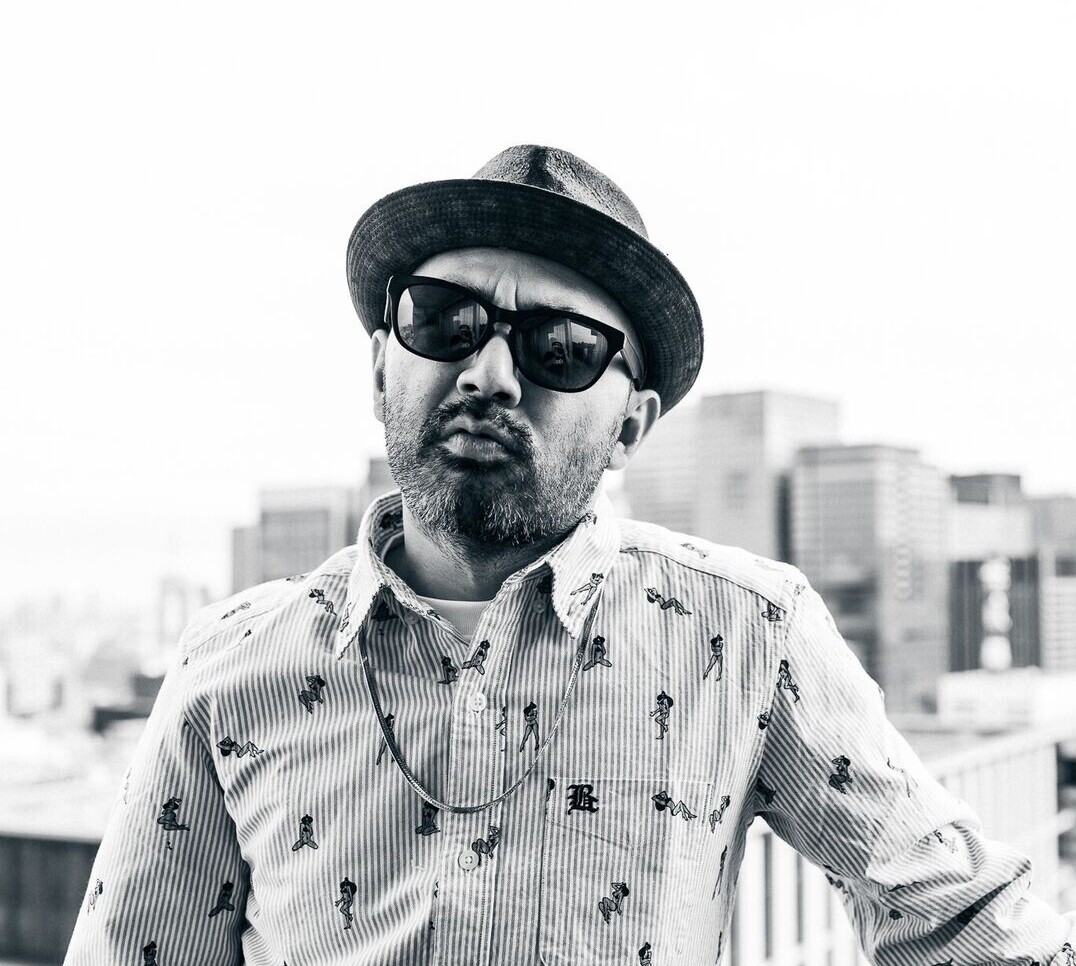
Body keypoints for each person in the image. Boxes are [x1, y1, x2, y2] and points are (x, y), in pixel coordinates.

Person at [65, 145, 1076, 965]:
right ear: (380, 367)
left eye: (560, 349)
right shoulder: (230, 664)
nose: (489, 374)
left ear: (631, 425)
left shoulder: (745, 635)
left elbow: (962, 919)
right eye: (443, 321)